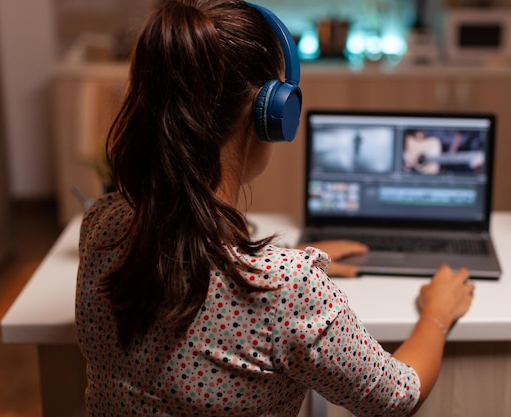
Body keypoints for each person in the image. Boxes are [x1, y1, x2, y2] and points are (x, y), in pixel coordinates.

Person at [75, 1, 475, 416]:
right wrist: (437, 313)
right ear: (272, 115)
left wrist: (292, 260)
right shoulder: (286, 290)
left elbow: (191, 259)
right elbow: (399, 396)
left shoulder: (101, 226)